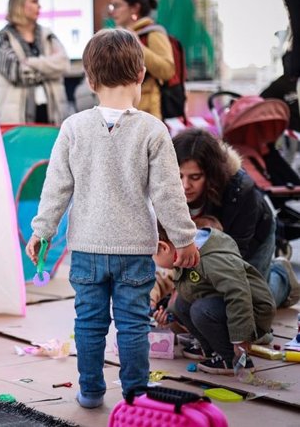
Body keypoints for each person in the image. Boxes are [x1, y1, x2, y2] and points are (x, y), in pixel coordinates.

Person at [26, 28, 199, 409]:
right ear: (141, 74)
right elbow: (168, 193)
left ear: (90, 80)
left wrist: (42, 230)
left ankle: (90, 392)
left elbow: (56, 187)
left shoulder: (73, 128)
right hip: (135, 250)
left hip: (86, 248)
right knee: (133, 324)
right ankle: (136, 394)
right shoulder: (153, 130)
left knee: (88, 323)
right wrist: (185, 239)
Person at [173, 128, 300, 309]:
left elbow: (233, 259)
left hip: (253, 234)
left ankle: (282, 279)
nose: (185, 186)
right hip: (208, 250)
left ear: (211, 174)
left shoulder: (240, 191)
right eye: (179, 176)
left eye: (195, 177)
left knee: (253, 303)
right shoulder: (165, 186)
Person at [153, 221, 275, 374]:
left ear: (164, 247)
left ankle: (233, 359)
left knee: (201, 310)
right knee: (180, 304)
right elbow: (188, 291)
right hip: (227, 305)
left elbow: (238, 294)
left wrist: (240, 338)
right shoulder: (185, 253)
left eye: (152, 255)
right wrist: (169, 313)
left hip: (252, 312)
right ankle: (211, 349)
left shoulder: (210, 259)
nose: (153, 260)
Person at [0, 0, 72, 125]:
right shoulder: (4, 37)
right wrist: (50, 70)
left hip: (53, 117)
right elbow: (17, 72)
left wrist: (31, 62)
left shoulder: (48, 35)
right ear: (19, 5)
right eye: (34, 1)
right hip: (16, 121)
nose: (39, 6)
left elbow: (64, 64)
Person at [108, 0, 175, 120]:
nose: (112, 12)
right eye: (111, 7)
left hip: (148, 114)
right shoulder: (118, 35)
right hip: (121, 112)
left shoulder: (153, 33)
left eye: (117, 6)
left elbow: (167, 70)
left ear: (135, 8)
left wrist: (138, 46)